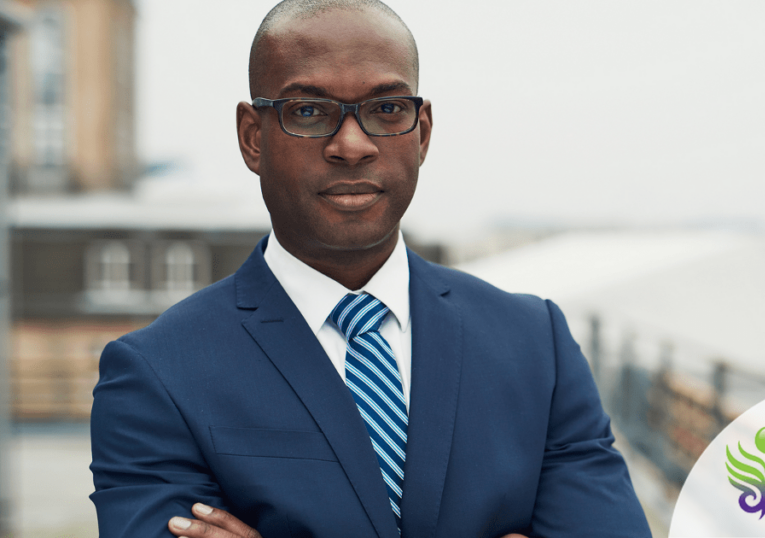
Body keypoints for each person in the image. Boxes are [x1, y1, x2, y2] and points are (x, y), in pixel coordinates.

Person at [89, 1, 652, 537]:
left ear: (422, 132)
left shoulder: (535, 345)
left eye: (387, 110)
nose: (352, 145)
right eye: (308, 111)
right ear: (252, 137)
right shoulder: (156, 373)